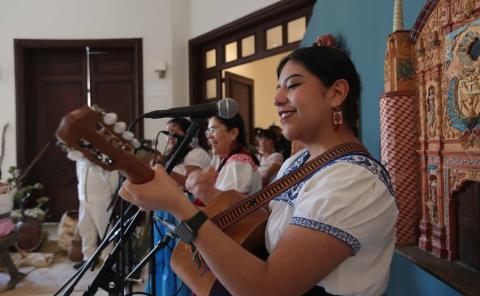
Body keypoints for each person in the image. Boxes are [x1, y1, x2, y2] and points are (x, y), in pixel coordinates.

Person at [120, 45, 398, 296]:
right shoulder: (296, 164)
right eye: (278, 87)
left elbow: (269, 288)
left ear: (337, 93)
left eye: (292, 85)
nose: (276, 98)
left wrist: (179, 206)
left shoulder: (353, 180)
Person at [150, 117, 211, 296]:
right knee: (162, 255)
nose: (170, 135)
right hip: (165, 207)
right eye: (168, 131)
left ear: (187, 132)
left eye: (174, 130)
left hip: (184, 206)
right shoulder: (171, 154)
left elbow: (189, 184)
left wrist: (163, 173)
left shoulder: (195, 153)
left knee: (178, 257)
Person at [187, 113, 262, 206]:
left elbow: (229, 209)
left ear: (233, 133)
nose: (209, 136)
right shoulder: (221, 159)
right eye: (208, 131)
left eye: (213, 130)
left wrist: (202, 191)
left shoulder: (238, 162)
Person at [73, 159, 119, 269]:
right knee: (85, 228)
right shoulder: (80, 158)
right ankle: (88, 258)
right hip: (84, 198)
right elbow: (79, 174)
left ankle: (107, 260)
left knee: (105, 230)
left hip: (101, 198)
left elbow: (114, 177)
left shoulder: (104, 157)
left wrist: (111, 194)